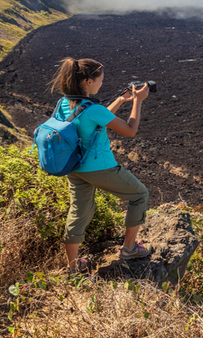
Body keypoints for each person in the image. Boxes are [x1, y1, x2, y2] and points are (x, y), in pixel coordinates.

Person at [48, 57, 152, 273]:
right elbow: (130, 130)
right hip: (99, 167)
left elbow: (92, 119)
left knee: (79, 211)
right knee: (139, 195)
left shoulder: (64, 103)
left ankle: (73, 266)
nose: (102, 83)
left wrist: (121, 100)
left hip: (73, 166)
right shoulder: (93, 109)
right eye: (100, 80)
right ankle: (130, 248)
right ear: (87, 81)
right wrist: (137, 100)